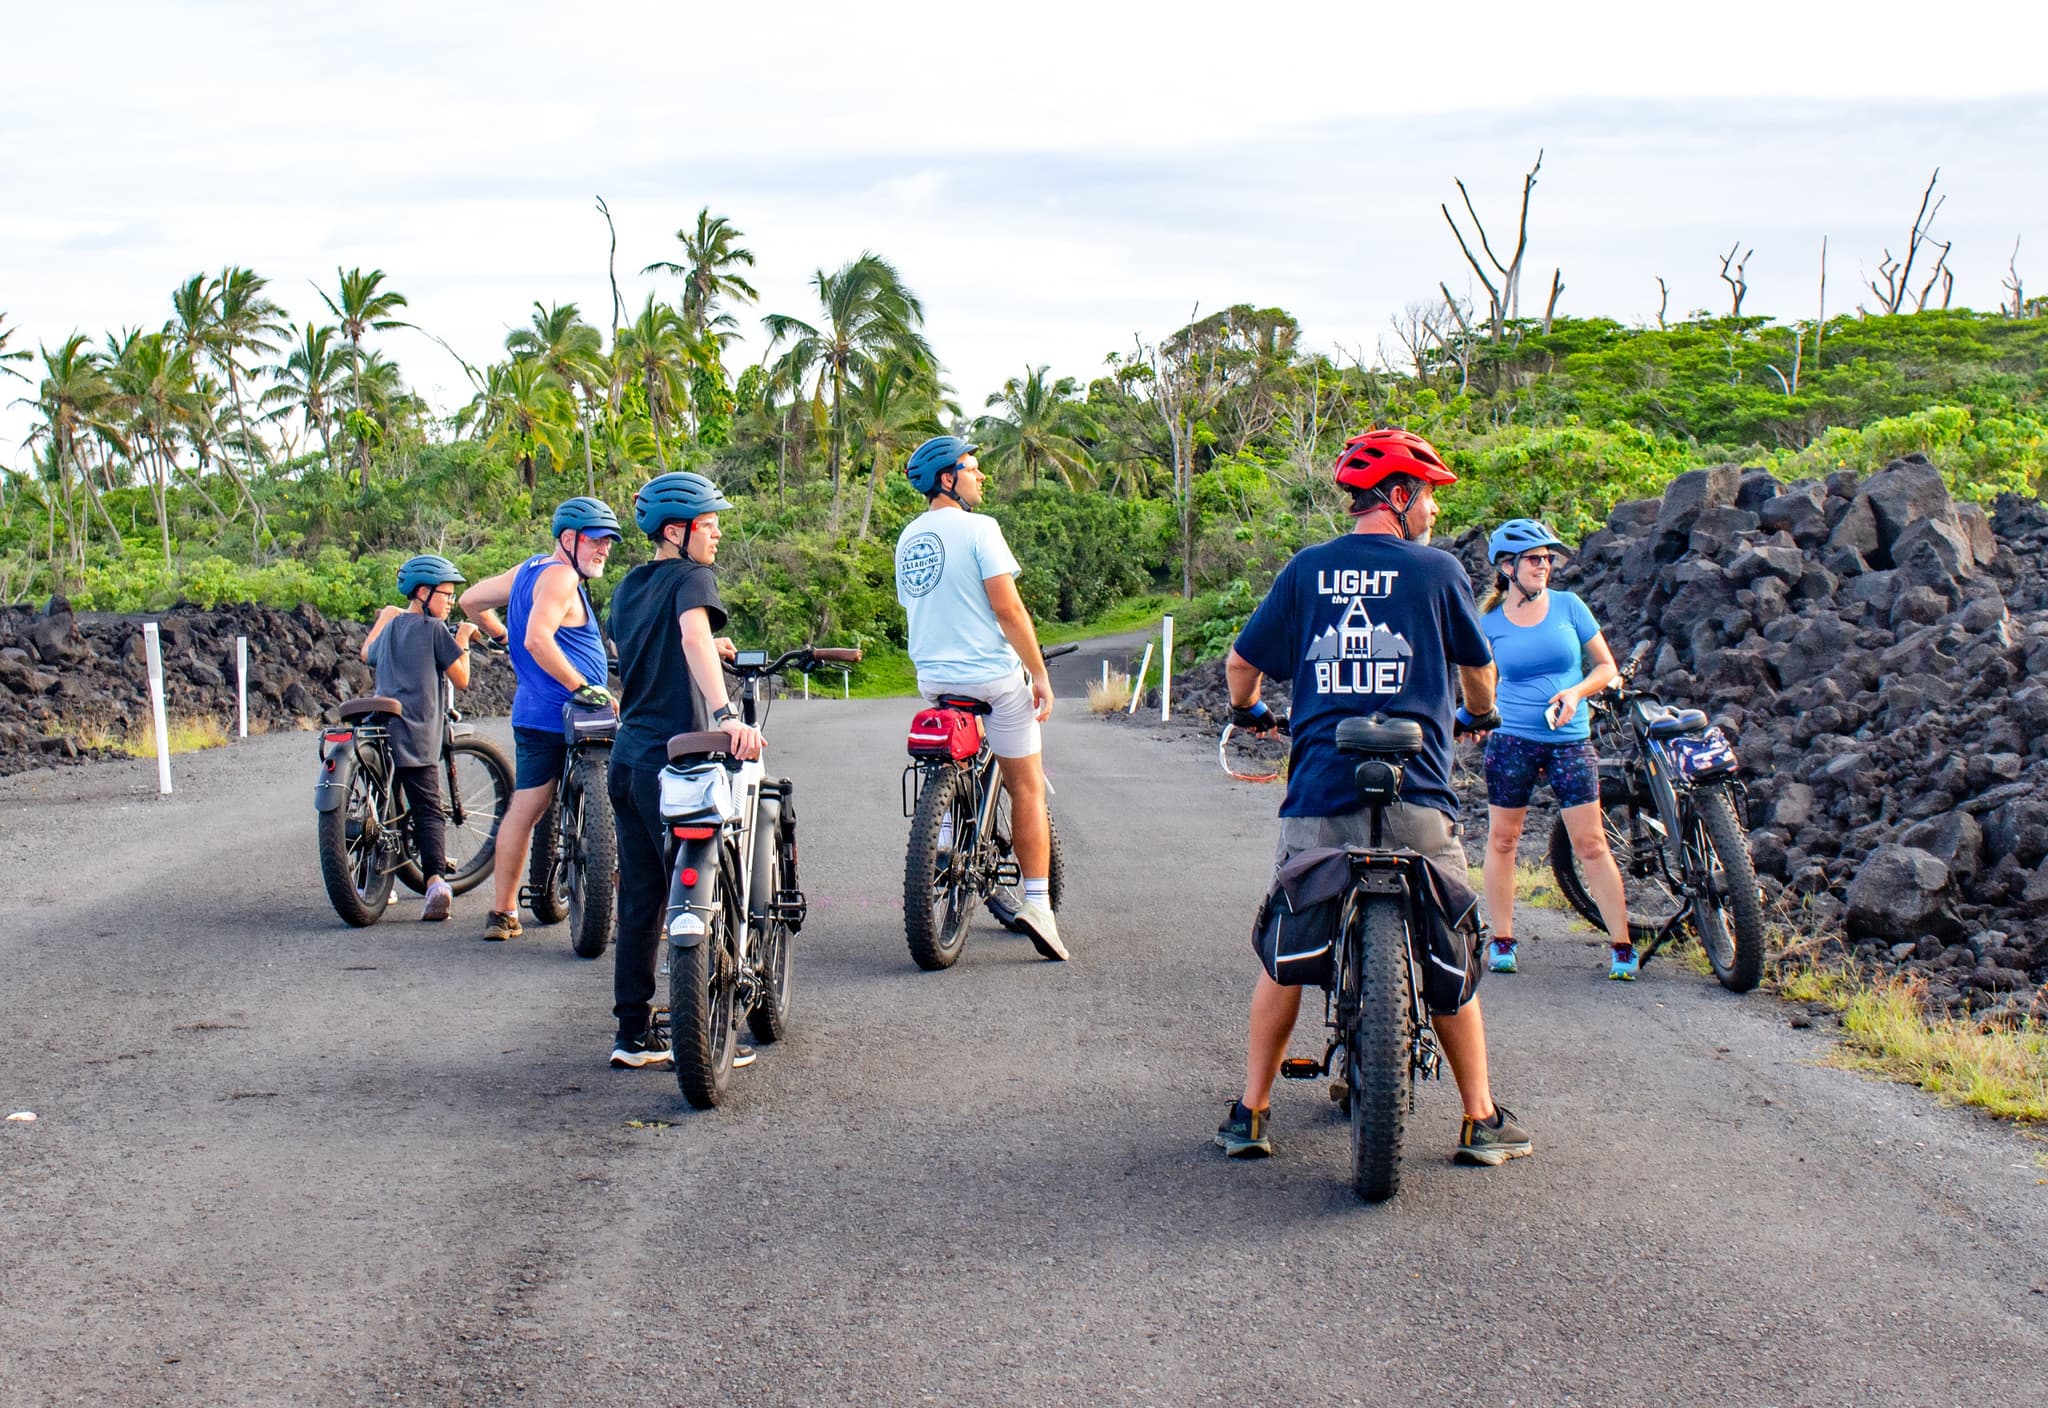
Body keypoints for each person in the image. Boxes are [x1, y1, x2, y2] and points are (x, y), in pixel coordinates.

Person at [1217, 427, 1531, 1168]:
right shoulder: (1439, 571)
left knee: (1286, 947)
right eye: (1425, 498)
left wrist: (1249, 713)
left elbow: (1241, 666)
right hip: (1419, 791)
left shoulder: (1307, 570)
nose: (1431, 513)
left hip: (1322, 789)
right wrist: (1479, 718)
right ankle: (1480, 1120)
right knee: (1447, 940)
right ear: (1397, 496)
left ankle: (1251, 1113)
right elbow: (1479, 673)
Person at [603, 471, 759, 1070]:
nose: (717, 536)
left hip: (629, 757)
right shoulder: (694, 577)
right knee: (702, 893)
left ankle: (632, 1035)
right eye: (709, 526)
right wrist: (726, 715)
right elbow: (692, 636)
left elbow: (652, 644)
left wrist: (706, 649)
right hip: (680, 759)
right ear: (677, 531)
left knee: (643, 899)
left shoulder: (629, 585)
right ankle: (708, 1029)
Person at [894, 435, 1065, 961]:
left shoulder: (907, 539)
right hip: (992, 679)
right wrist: (1038, 674)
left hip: (935, 680)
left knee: (957, 756)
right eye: (973, 467)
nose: (980, 476)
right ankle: (1038, 905)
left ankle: (947, 831)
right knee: (1027, 787)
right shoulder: (980, 529)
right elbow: (1009, 610)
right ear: (948, 479)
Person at [457, 497, 621, 942]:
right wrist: (581, 686)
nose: (604, 549)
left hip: (531, 711)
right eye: (595, 540)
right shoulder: (564, 577)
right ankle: (634, 909)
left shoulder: (528, 570)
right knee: (621, 803)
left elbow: (470, 600)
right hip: (572, 714)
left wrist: (497, 633)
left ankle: (503, 912)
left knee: (526, 808)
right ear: (568, 539)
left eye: (608, 542)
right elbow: (536, 639)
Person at [1473, 519, 1631, 978]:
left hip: (1570, 740)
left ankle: (1621, 945)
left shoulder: (1570, 606)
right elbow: (1483, 686)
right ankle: (1502, 940)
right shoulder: (1490, 624)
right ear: (1508, 567)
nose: (1544, 566)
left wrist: (1576, 693)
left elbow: (1606, 667)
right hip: (1511, 741)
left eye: (1548, 559)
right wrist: (1478, 718)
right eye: (1534, 559)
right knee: (1504, 840)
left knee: (1591, 843)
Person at [361, 554, 481, 923]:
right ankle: (435, 884)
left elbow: (368, 654)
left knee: (381, 805)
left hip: (379, 728)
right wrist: (463, 636)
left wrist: (385, 616)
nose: (449, 601)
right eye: (445, 594)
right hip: (416, 729)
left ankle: (373, 882)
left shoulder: (393, 627)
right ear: (424, 593)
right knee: (429, 809)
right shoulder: (434, 631)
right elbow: (461, 678)